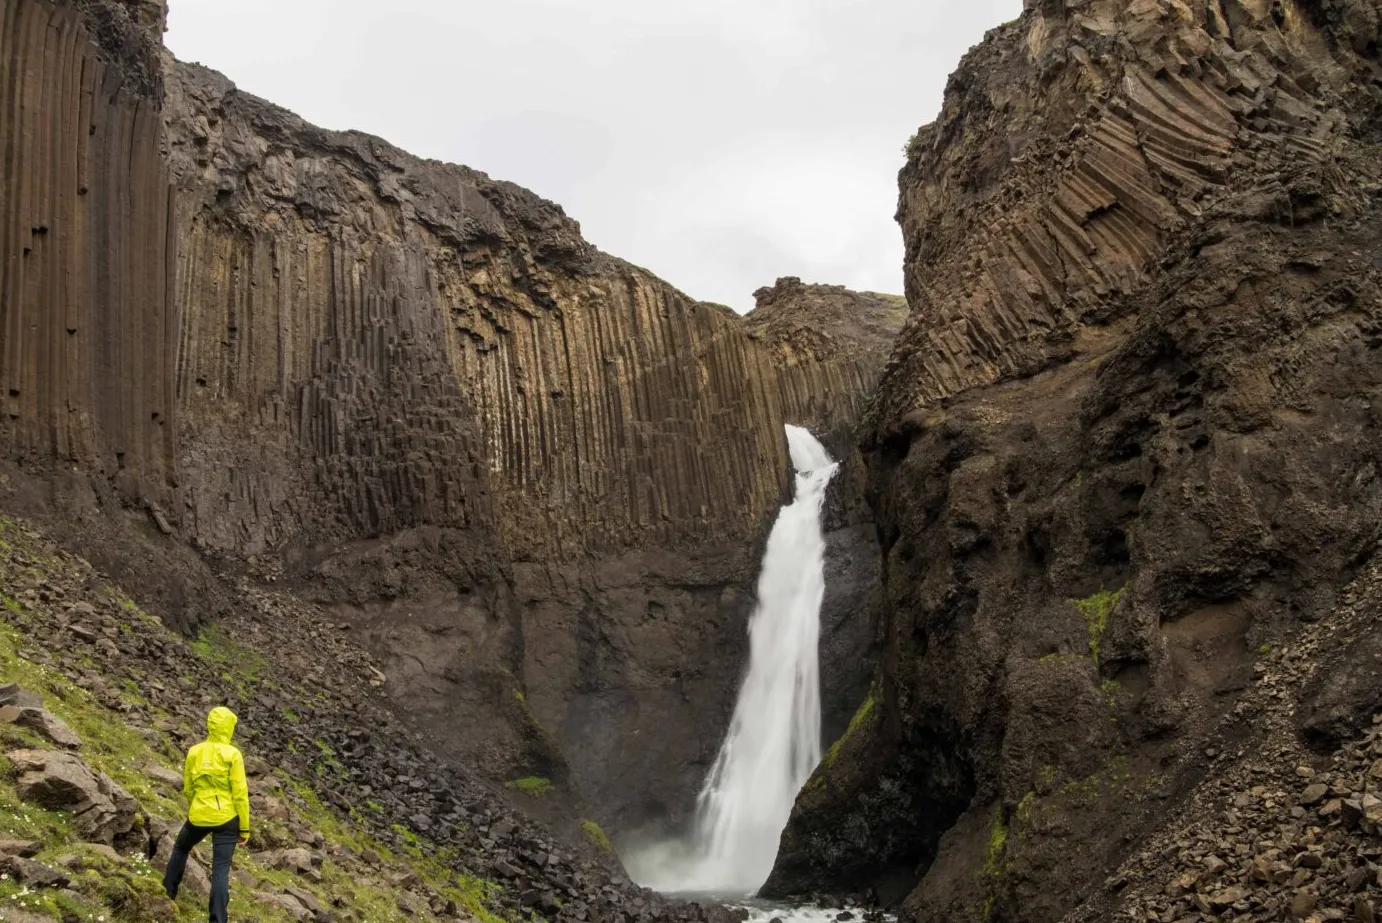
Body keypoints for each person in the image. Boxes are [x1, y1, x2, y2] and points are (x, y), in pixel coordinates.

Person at [163, 706, 252, 923]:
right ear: (228, 727)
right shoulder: (232, 754)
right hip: (227, 819)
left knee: (181, 848)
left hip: (198, 814)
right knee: (220, 870)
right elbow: (240, 794)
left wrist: (196, 807)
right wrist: (245, 828)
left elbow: (188, 788)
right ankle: (217, 919)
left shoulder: (195, 751)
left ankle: (167, 894)